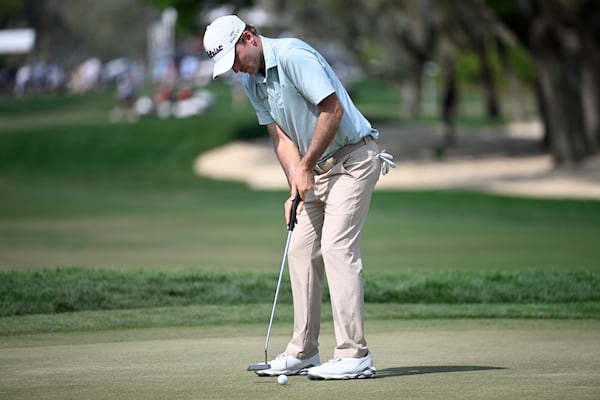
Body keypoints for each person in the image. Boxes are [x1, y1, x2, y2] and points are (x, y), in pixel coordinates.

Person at [203, 15, 395, 380]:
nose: (235, 70)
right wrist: (295, 183)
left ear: (248, 38)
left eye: (235, 59)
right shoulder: (252, 83)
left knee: (337, 248)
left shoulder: (292, 55)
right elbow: (281, 138)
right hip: (315, 171)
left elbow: (332, 109)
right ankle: (304, 351)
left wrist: (305, 167)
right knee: (301, 250)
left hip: (354, 159)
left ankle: (355, 355)